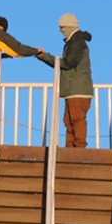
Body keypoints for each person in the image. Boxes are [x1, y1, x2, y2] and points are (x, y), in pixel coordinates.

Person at [34, 13, 92, 148]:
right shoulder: (74, 41)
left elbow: (67, 63)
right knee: (69, 120)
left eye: (62, 28)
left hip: (78, 90)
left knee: (77, 119)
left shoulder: (76, 43)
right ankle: (71, 147)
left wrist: (46, 57)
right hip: (72, 90)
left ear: (69, 27)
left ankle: (79, 147)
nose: (61, 31)